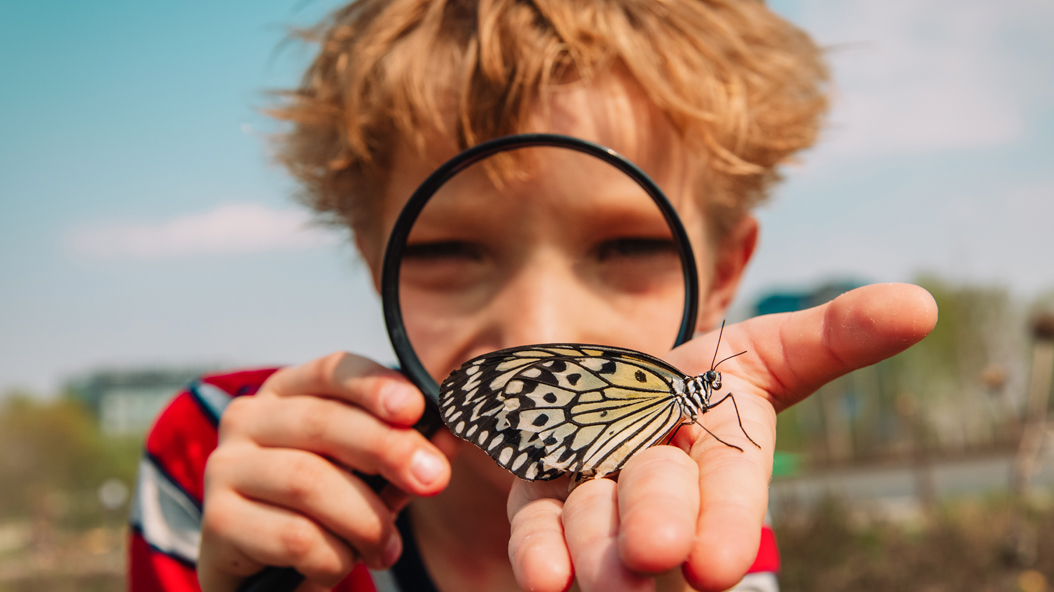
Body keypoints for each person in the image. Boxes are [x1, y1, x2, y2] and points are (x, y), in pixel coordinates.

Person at [128, 1, 938, 591]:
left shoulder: (699, 520)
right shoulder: (222, 456)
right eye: (448, 250)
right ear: (377, 264)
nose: (537, 326)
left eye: (625, 246)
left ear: (723, 272)